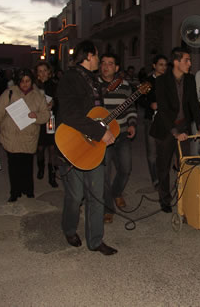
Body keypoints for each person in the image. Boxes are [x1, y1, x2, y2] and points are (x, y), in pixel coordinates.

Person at [56, 40, 117, 255]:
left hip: (93, 146)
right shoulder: (70, 78)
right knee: (75, 196)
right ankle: (70, 229)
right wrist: (101, 132)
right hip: (73, 146)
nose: (100, 60)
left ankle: (95, 240)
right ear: (89, 55)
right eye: (97, 55)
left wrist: (104, 128)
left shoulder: (93, 81)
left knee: (97, 195)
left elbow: (94, 113)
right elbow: (70, 115)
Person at [150, 47, 200, 213]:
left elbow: (194, 104)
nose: (190, 63)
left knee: (185, 164)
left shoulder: (190, 79)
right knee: (163, 166)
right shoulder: (161, 81)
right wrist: (175, 132)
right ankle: (165, 199)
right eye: (187, 60)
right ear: (176, 62)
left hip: (183, 125)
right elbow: (164, 110)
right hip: (166, 128)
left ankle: (184, 196)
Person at [0, 69, 50, 202]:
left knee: (27, 164)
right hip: (11, 136)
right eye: (22, 81)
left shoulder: (38, 95)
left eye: (27, 81)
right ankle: (15, 192)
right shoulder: (9, 93)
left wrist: (36, 116)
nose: (25, 84)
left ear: (32, 81)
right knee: (14, 165)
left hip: (29, 136)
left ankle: (28, 190)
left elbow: (46, 115)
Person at [99, 53, 138, 224]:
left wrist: (132, 123)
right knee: (104, 175)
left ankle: (116, 193)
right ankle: (108, 208)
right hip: (101, 137)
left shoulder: (125, 86)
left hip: (121, 133)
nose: (106, 66)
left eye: (110, 64)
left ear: (116, 68)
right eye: (103, 63)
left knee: (126, 168)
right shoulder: (94, 86)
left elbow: (131, 108)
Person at [139, 54, 168, 190]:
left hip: (165, 121)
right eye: (161, 64)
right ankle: (155, 179)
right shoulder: (148, 81)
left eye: (165, 65)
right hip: (151, 120)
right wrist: (150, 105)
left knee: (164, 151)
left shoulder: (170, 80)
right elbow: (139, 98)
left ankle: (163, 178)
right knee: (152, 152)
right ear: (154, 66)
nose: (163, 67)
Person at [35, 61, 59, 188]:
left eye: (45, 70)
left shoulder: (55, 85)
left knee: (52, 149)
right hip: (39, 122)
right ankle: (40, 167)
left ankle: (52, 176)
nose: (43, 73)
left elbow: (60, 100)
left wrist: (54, 103)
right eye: (40, 71)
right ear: (37, 74)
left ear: (49, 72)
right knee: (39, 148)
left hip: (52, 120)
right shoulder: (34, 87)